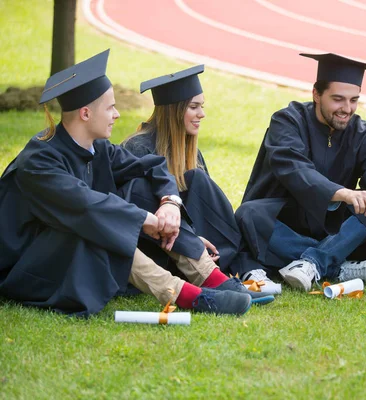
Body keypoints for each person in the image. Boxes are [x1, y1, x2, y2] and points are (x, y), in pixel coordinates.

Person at [0, 50, 254, 317]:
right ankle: (187, 296)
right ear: (85, 113)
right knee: (97, 223)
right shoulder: (40, 161)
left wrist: (170, 204)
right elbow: (87, 206)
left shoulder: (96, 147)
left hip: (69, 249)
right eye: (110, 107)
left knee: (142, 189)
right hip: (27, 267)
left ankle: (210, 278)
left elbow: (154, 165)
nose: (118, 114)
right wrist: (148, 220)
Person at [235, 53, 366, 292]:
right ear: (316, 94)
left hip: (331, 226)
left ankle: (313, 263)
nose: (347, 109)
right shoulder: (287, 121)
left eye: (353, 100)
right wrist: (342, 193)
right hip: (285, 218)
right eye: (338, 99)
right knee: (248, 215)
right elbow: (294, 168)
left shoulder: (362, 134)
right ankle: (337, 265)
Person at [121, 65, 277, 301]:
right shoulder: (138, 148)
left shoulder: (189, 148)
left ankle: (233, 267)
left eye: (201, 106)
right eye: (194, 107)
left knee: (198, 179)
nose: (201, 114)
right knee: (193, 180)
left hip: (189, 240)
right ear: (174, 110)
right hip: (155, 243)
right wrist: (190, 238)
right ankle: (219, 274)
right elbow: (138, 207)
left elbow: (207, 209)